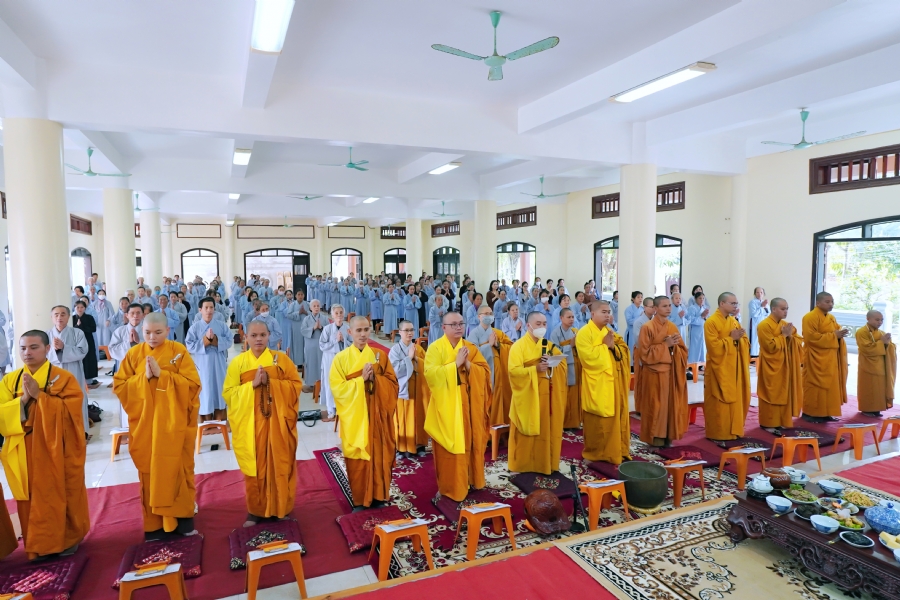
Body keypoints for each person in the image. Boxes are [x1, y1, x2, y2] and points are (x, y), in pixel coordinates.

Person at [0, 330, 90, 559]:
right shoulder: (10, 381)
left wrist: (41, 397)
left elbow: (73, 415)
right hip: (23, 450)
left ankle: (65, 541)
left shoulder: (62, 378)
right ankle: (37, 545)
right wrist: (23, 400)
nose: (27, 353)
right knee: (30, 498)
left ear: (47, 348)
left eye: (33, 347)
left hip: (55, 449)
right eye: (22, 348)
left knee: (58, 491)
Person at [113, 312, 201, 540]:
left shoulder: (178, 352)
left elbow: (193, 385)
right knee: (150, 470)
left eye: (158, 332)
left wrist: (163, 377)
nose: (152, 337)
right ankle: (154, 524)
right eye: (147, 333)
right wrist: (144, 379)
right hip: (146, 425)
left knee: (178, 469)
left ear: (168, 331)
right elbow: (120, 386)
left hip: (174, 424)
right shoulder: (133, 354)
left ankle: (182, 520)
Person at [223, 320, 302, 526]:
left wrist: (272, 384)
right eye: (254, 335)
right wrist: (253, 385)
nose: (258, 339)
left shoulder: (281, 360)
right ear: (246, 338)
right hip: (251, 425)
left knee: (279, 464)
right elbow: (229, 394)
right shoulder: (238, 363)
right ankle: (255, 511)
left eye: (262, 335)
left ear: (269, 336)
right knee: (255, 466)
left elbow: (295, 386)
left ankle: (280, 508)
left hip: (277, 424)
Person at [330, 316, 399, 511]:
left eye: (366, 330)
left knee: (380, 454)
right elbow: (337, 389)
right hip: (355, 417)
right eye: (358, 330)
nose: (363, 334)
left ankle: (379, 496)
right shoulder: (340, 359)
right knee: (358, 456)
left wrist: (376, 380)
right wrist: (361, 381)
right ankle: (360, 500)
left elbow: (393, 384)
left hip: (378, 416)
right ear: (349, 332)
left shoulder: (380, 355)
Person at [424, 311, 491, 502]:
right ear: (443, 327)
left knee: (472, 442)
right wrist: (455, 365)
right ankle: (451, 486)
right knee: (450, 447)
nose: (458, 327)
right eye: (453, 324)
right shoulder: (435, 349)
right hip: (448, 407)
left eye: (461, 324)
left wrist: (468, 365)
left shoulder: (470, 347)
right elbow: (430, 376)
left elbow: (485, 374)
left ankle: (472, 479)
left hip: (470, 406)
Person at [507, 311, 568, 475]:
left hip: (546, 395)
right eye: (538, 324)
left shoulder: (547, 345)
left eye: (544, 324)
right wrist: (535, 369)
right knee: (525, 429)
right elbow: (513, 372)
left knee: (544, 429)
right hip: (527, 395)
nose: (542, 327)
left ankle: (544, 463)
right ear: (528, 325)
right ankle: (520, 465)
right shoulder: (518, 346)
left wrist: (552, 364)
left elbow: (562, 364)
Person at [576, 301, 631, 464]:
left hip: (613, 382)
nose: (607, 315)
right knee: (597, 420)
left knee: (615, 416)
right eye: (604, 312)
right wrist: (606, 346)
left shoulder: (609, 330)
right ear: (592, 314)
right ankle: (595, 454)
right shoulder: (584, 333)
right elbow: (588, 358)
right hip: (597, 384)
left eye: (609, 312)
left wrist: (613, 347)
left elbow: (622, 349)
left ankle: (616, 451)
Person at [637, 296, 688, 447]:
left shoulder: (672, 326)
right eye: (664, 306)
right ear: (656, 308)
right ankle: (654, 439)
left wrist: (674, 346)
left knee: (668, 407)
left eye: (669, 306)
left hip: (669, 373)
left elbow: (682, 350)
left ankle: (668, 437)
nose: (668, 308)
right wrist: (665, 345)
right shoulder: (647, 327)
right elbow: (644, 354)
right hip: (653, 373)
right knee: (655, 406)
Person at [703, 292, 751, 441]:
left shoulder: (734, 321)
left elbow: (744, 342)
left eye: (736, 303)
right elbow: (714, 347)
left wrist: (738, 339)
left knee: (736, 399)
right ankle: (718, 433)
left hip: (734, 368)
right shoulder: (711, 322)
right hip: (719, 369)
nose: (735, 306)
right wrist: (731, 339)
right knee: (719, 402)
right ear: (722, 304)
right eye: (732, 303)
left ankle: (734, 430)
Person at [801, 292, 850, 423]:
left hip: (830, 358)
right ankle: (810, 413)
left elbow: (835, 331)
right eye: (827, 302)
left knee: (830, 386)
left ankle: (826, 412)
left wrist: (840, 334)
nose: (831, 304)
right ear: (818, 303)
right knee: (815, 385)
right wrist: (834, 336)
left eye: (832, 301)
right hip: (815, 358)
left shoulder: (831, 317)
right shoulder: (809, 317)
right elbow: (811, 338)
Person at [756, 298, 803, 433]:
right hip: (771, 366)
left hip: (785, 366)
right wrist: (783, 336)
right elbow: (769, 347)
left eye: (787, 308)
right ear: (774, 309)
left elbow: (799, 341)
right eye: (783, 309)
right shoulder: (764, 325)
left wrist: (790, 337)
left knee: (784, 392)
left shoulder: (785, 325)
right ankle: (768, 423)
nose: (786, 311)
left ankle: (781, 421)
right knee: (771, 393)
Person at [186, 297, 232, 422]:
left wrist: (216, 341)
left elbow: (229, 341)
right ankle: (205, 420)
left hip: (218, 363)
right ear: (200, 310)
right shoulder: (194, 328)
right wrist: (204, 342)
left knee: (219, 388)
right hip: (202, 364)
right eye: (206, 308)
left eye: (211, 307)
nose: (209, 310)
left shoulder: (221, 326)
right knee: (204, 390)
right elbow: (189, 345)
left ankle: (220, 419)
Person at [467, 305, 513, 426]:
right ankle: (486, 431)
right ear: (479, 317)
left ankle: (500, 427)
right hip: (484, 371)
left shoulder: (497, 332)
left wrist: (498, 346)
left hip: (499, 370)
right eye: (486, 313)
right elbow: (472, 355)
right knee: (486, 399)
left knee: (500, 397)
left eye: (490, 313)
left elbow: (510, 347)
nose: (489, 316)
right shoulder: (473, 334)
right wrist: (489, 345)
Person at [390, 320, 430, 458]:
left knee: (419, 416)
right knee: (403, 418)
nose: (409, 333)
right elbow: (394, 371)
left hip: (419, 388)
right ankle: (402, 448)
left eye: (411, 330)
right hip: (404, 390)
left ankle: (420, 446)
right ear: (400, 332)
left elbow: (428, 366)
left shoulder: (419, 348)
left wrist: (418, 360)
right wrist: (409, 358)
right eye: (406, 330)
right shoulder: (395, 350)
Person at [47, 305, 90, 432]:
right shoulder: (46, 335)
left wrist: (63, 348)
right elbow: (42, 355)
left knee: (76, 399)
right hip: (53, 374)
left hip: (74, 372)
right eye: (56, 315)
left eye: (63, 314)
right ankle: (59, 434)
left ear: (68, 317)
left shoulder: (77, 333)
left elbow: (82, 351)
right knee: (55, 402)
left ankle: (80, 432)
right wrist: (56, 350)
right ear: (51, 318)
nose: (59, 317)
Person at [109, 303, 146, 427]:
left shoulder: (147, 330)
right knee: (127, 399)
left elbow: (154, 347)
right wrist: (129, 344)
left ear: (143, 315)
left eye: (138, 313)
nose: (135, 316)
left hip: (144, 371)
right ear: (126, 315)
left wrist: (139, 342)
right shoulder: (120, 331)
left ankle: (143, 428)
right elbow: (112, 350)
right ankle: (127, 428)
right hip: (126, 372)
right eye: (132, 313)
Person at [855, 309, 896, 417]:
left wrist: (888, 344)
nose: (880, 322)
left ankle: (877, 408)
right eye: (877, 319)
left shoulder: (881, 333)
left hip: (881, 366)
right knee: (868, 388)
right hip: (867, 365)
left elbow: (889, 346)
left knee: (879, 389)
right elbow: (866, 348)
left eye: (881, 320)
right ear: (868, 319)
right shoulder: (861, 332)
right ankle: (867, 409)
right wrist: (882, 342)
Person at [550, 307, 581, 429]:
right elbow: (554, 352)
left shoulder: (575, 331)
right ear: (561, 318)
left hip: (576, 364)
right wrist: (570, 346)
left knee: (575, 394)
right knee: (564, 394)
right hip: (563, 367)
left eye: (573, 317)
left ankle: (575, 421)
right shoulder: (555, 333)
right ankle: (564, 422)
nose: (571, 319)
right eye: (568, 317)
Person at [320, 305, 350, 423]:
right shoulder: (327, 329)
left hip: (343, 360)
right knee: (330, 383)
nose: (339, 315)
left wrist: (344, 340)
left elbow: (352, 344)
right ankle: (330, 409)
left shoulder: (347, 328)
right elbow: (322, 345)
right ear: (332, 315)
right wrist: (335, 340)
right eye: (336, 313)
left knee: (342, 383)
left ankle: (341, 407)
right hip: (330, 359)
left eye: (341, 312)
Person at [631, 297, 656, 412]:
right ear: (645, 307)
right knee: (641, 381)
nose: (653, 309)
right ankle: (640, 408)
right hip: (642, 352)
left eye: (654, 306)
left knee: (651, 382)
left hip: (654, 354)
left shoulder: (656, 320)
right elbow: (638, 340)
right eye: (651, 306)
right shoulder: (639, 322)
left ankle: (650, 406)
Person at [73, 301, 100, 389]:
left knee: (89, 358)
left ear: (85, 308)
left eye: (82, 307)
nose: (80, 309)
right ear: (75, 308)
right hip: (76, 342)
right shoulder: (72, 318)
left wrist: (81, 327)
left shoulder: (89, 317)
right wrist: (77, 326)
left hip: (88, 340)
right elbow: (71, 330)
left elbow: (93, 329)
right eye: (78, 307)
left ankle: (89, 380)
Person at [285, 290, 309, 370]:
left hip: (306, 327)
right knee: (297, 345)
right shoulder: (292, 305)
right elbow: (288, 315)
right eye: (298, 294)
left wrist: (305, 312)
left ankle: (306, 362)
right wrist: (298, 313)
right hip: (296, 327)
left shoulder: (307, 304)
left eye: (302, 294)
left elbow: (312, 314)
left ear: (304, 295)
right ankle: (298, 363)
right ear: (295, 296)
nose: (300, 296)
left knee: (305, 344)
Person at [686, 292, 709, 365]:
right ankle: (692, 364)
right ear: (695, 299)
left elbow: (707, 320)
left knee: (703, 346)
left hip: (703, 330)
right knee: (695, 347)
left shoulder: (704, 308)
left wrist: (705, 317)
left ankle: (701, 364)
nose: (702, 300)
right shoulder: (692, 308)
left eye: (703, 298)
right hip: (695, 331)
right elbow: (690, 320)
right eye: (700, 298)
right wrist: (701, 316)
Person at [91, 289, 115, 356]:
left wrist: (109, 320)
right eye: (100, 294)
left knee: (106, 337)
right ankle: (99, 354)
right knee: (98, 338)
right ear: (97, 295)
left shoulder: (108, 303)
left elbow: (112, 314)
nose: (101, 295)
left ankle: (107, 354)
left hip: (106, 324)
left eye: (103, 294)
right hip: (97, 324)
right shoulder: (94, 304)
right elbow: (92, 314)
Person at [747, 287, 770, 357]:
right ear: (754, 293)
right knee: (754, 339)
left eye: (761, 292)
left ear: (763, 294)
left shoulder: (765, 303)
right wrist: (762, 307)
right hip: (754, 324)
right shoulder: (752, 302)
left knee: (762, 339)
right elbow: (754, 314)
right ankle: (753, 356)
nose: (759, 294)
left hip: (763, 323)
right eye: (757, 292)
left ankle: (760, 355)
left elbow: (768, 313)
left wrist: (764, 307)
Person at [624, 291, 643, 365]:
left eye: (641, 297)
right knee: (631, 350)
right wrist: (640, 317)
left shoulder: (642, 308)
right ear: (633, 299)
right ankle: (631, 366)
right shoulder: (628, 309)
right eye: (638, 297)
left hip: (641, 332)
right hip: (631, 333)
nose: (640, 299)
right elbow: (629, 322)